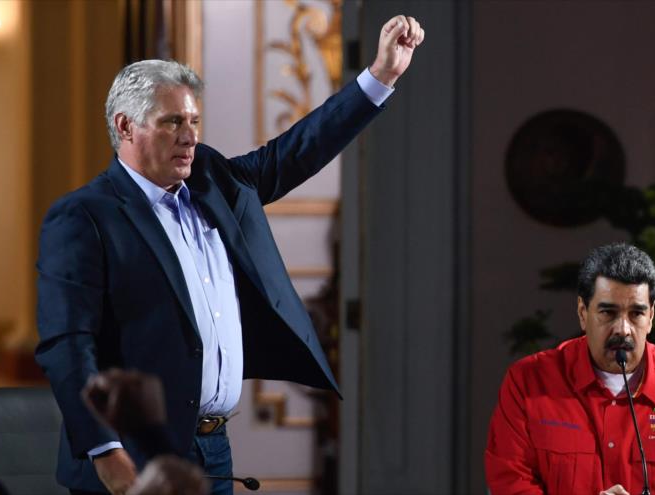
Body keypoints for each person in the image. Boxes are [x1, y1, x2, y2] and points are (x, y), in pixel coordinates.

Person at [35, 14, 424, 495]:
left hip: (213, 448)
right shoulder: (83, 217)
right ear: (125, 127)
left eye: (194, 120)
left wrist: (381, 76)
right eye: (173, 121)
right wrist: (105, 452)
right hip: (132, 453)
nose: (190, 135)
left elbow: (297, 150)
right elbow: (67, 345)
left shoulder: (214, 181)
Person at [485, 243, 655, 495]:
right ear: (583, 313)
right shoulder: (528, 382)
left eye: (636, 314)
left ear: (651, 316)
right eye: (608, 312)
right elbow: (509, 482)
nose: (623, 329)